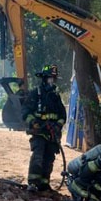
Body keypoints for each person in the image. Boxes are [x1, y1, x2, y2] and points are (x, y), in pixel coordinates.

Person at [23, 64, 66, 192]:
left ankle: (44, 184)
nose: (52, 81)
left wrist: (57, 125)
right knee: (38, 156)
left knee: (49, 159)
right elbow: (25, 111)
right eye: (50, 78)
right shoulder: (36, 94)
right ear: (44, 79)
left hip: (52, 134)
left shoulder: (56, 96)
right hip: (39, 132)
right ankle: (33, 183)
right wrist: (33, 123)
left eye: (54, 79)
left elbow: (63, 115)